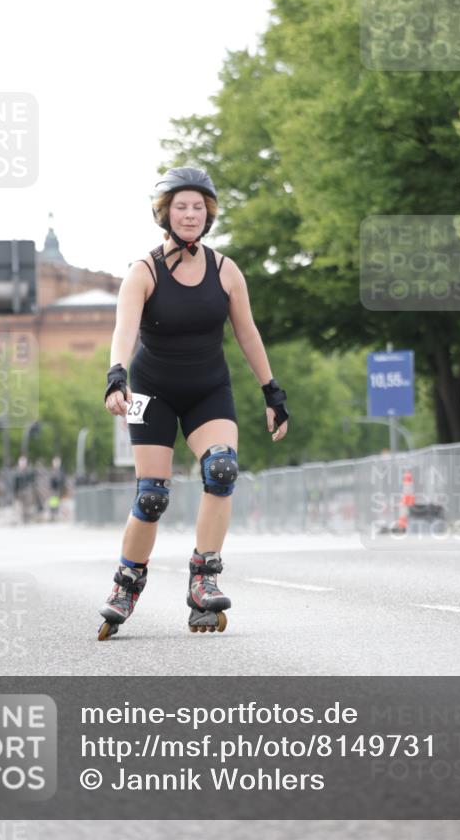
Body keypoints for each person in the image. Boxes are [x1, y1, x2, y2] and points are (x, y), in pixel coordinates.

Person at [98, 166, 289, 639]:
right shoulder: (143, 271)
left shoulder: (226, 271)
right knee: (152, 494)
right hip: (150, 390)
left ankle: (204, 578)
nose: (189, 214)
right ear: (165, 214)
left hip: (208, 388)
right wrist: (115, 376)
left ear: (208, 215)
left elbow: (247, 333)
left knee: (222, 470)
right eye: (181, 206)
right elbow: (124, 328)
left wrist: (272, 391)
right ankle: (127, 582)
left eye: (198, 207)